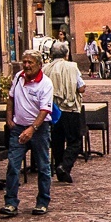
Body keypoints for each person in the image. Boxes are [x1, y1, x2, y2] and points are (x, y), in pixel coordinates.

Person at [0, 50, 53, 217]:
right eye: (25, 62)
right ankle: (10, 203)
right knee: (13, 166)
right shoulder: (18, 78)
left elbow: (45, 110)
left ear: (39, 65)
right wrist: (9, 119)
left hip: (39, 129)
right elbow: (10, 98)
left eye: (30, 62)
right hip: (18, 128)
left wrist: (32, 129)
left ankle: (42, 201)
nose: (27, 66)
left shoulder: (45, 84)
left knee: (43, 166)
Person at [44, 41, 84, 184]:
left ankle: (60, 170)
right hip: (70, 108)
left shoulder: (45, 68)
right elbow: (81, 87)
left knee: (57, 141)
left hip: (51, 110)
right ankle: (64, 166)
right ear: (66, 54)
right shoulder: (72, 67)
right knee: (75, 140)